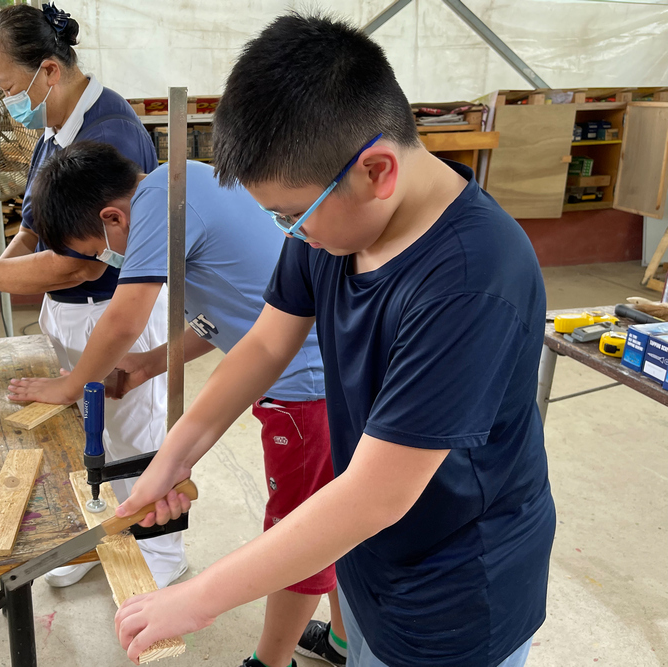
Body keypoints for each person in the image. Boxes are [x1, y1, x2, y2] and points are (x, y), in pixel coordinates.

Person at [112, 13, 556, 667]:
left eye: (291, 213)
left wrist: (201, 597)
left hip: (458, 592)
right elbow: (265, 345)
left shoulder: (471, 279)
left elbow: (378, 492)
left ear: (376, 170)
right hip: (374, 554)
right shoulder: (332, 229)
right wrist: (175, 454)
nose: (287, 233)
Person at [12, 140, 346, 667]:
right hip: (309, 371)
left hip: (304, 389)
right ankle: (344, 639)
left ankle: (270, 663)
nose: (109, 260)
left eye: (101, 251)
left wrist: (71, 384)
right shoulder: (183, 178)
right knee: (328, 512)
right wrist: (149, 364)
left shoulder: (158, 205)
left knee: (298, 533)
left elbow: (122, 319)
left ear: (111, 216)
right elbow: (232, 311)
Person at [0, 3, 185, 588]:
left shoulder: (111, 132)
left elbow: (77, 263)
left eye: (8, 87)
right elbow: (34, 224)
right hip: (72, 314)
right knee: (80, 432)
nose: (6, 101)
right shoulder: (55, 128)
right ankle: (93, 536)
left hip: (111, 307)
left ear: (49, 70)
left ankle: (161, 556)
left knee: (134, 434)